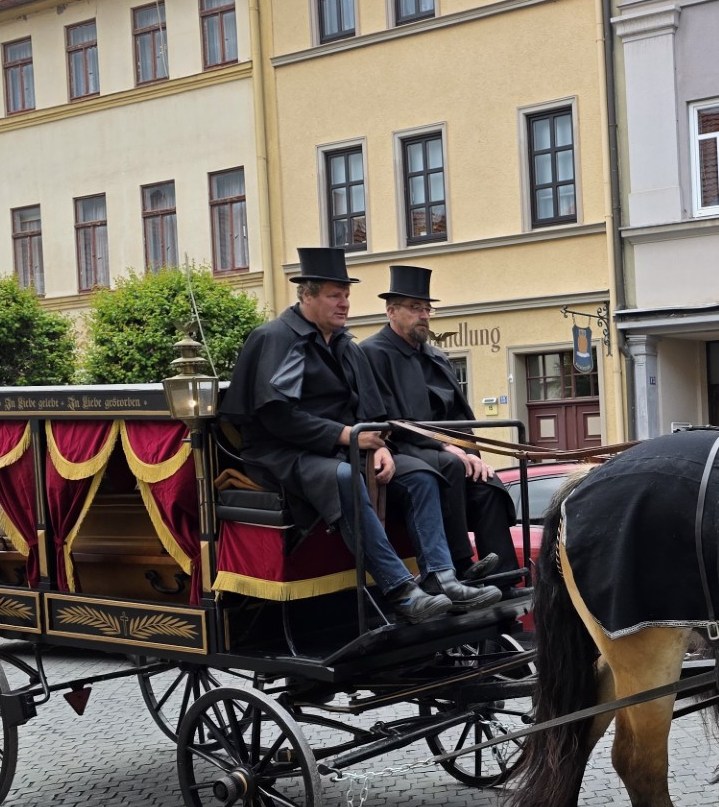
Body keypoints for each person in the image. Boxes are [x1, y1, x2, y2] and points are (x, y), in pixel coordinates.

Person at [220, 247, 501, 624]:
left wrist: (380, 447)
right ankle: (400, 590)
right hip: (283, 452)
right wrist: (346, 436)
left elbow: (372, 410)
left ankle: (441, 576)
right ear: (307, 295)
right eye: (335, 295)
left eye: (347, 295)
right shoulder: (275, 338)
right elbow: (277, 416)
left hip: (350, 446)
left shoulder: (345, 346)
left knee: (419, 473)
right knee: (345, 477)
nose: (345, 303)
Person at [360, 264, 523, 596]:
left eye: (427, 309)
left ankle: (503, 580)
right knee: (449, 465)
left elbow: (462, 417)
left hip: (446, 450)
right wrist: (445, 449)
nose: (424, 315)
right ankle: (461, 568)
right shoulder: (371, 353)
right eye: (415, 308)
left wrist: (475, 456)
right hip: (402, 451)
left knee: (488, 484)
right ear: (391, 311)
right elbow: (385, 418)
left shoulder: (437, 357)